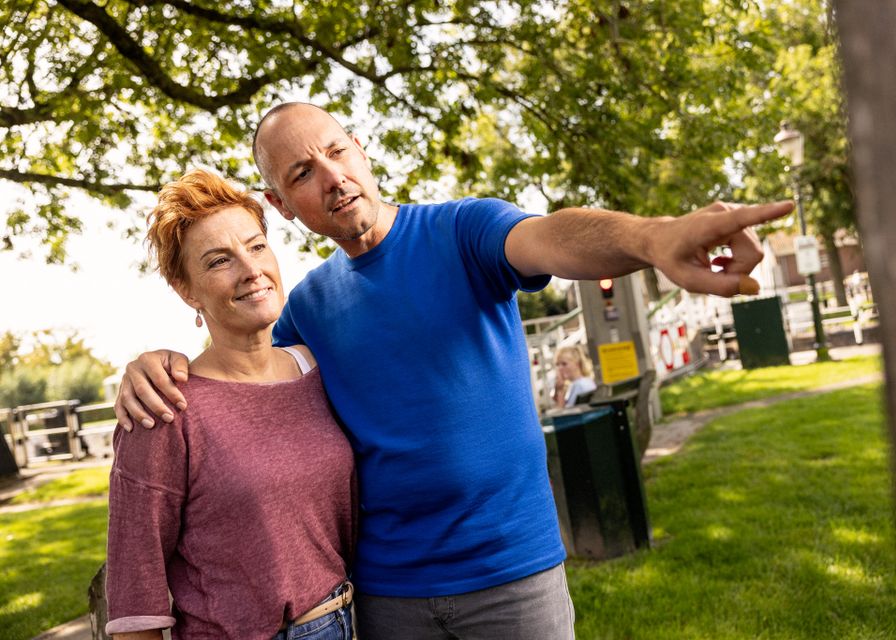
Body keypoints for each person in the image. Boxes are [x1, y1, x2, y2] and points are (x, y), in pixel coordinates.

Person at [115, 102, 793, 639]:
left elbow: (555, 237)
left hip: (513, 578)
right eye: (301, 174)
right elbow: (244, 366)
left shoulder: (464, 232)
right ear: (284, 205)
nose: (332, 177)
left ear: (361, 150)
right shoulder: (308, 310)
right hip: (386, 597)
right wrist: (156, 365)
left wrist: (652, 237)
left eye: (336, 151)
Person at [105, 169, 356, 640]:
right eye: (219, 261)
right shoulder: (164, 409)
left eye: (256, 246)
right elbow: (135, 590)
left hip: (343, 620)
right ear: (186, 290)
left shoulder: (318, 369)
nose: (250, 270)